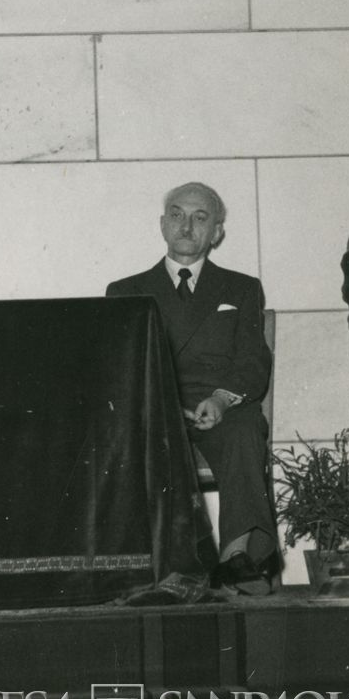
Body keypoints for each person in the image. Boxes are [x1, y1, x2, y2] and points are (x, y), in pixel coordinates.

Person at [106, 182, 276, 595]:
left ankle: (237, 558)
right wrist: (161, 404)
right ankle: (159, 568)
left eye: (201, 218)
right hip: (156, 407)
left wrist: (220, 399)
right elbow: (119, 369)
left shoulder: (242, 288)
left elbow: (253, 361)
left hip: (221, 407)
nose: (187, 225)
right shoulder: (124, 291)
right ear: (163, 225)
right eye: (178, 215)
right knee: (136, 438)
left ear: (216, 232)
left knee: (244, 427)